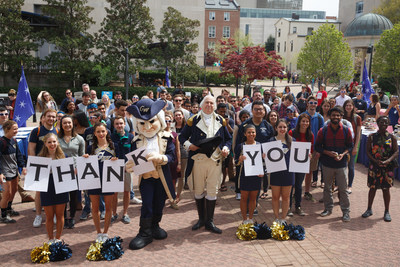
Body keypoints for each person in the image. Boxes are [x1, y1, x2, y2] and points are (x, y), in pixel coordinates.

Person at [126, 99, 176, 250]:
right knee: (147, 204)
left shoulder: (167, 138)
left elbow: (172, 157)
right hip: (146, 178)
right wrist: (130, 166)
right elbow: (133, 160)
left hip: (161, 177)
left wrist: (162, 158)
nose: (147, 127)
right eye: (142, 123)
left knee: (159, 203)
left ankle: (155, 226)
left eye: (151, 121)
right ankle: (145, 232)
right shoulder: (136, 141)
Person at [179, 95, 231, 234]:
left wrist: (226, 148)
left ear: (215, 105)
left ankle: (210, 221)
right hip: (198, 160)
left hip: (215, 161)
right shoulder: (193, 120)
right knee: (199, 190)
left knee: (212, 190)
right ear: (202, 105)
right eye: (207, 103)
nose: (209, 105)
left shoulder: (220, 120)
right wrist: (189, 146)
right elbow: (182, 137)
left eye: (212, 103)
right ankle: (201, 219)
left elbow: (228, 139)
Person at [315, 106, 353, 222]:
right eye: (333, 115)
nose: (335, 117)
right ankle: (328, 208)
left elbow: (350, 146)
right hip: (327, 164)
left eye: (338, 115)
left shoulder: (346, 130)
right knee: (327, 188)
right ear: (330, 117)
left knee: (343, 189)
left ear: (341, 117)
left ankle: (346, 211)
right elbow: (317, 147)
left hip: (341, 164)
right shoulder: (323, 130)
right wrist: (327, 153)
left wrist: (343, 154)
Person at [236, 101, 275, 212]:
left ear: (264, 111)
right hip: (247, 160)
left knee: (258, 183)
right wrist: (238, 157)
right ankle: (246, 205)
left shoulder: (267, 126)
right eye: (256, 109)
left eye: (261, 109)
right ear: (252, 111)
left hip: (262, 160)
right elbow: (238, 143)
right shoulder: (244, 125)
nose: (258, 111)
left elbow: (271, 142)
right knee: (247, 184)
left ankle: (254, 204)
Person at [83, 123, 118, 242]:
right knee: (95, 208)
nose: (101, 134)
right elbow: (86, 163)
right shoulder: (90, 148)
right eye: (98, 131)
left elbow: (120, 163)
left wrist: (116, 160)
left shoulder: (114, 147)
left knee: (108, 208)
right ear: (94, 133)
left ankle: (106, 232)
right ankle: (98, 232)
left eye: (103, 131)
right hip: (94, 180)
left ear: (107, 132)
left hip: (109, 180)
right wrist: (85, 158)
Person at [363, 116, 398, 222]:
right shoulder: (372, 137)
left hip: (387, 167)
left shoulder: (392, 137)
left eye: (386, 122)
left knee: (386, 189)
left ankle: (387, 211)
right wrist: (375, 160)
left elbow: (396, 152)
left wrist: (388, 161)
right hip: (375, 165)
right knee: (372, 187)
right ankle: (369, 209)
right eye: (381, 122)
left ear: (388, 124)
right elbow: (368, 151)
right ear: (377, 123)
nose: (383, 124)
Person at [28, 109, 58, 228]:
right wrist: (33, 164)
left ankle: (54, 213)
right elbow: (31, 149)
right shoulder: (37, 131)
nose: (51, 119)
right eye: (49, 116)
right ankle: (39, 215)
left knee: (55, 190)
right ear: (43, 117)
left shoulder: (57, 130)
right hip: (40, 163)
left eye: (53, 117)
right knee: (39, 191)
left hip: (54, 164)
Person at [38, 133, 69, 243]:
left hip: (61, 186)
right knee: (49, 216)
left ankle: (58, 238)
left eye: (54, 142)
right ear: (45, 143)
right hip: (47, 187)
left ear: (57, 143)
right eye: (49, 142)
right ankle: (50, 239)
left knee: (60, 215)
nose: (52, 144)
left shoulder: (64, 156)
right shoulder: (40, 158)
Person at [57, 115, 85, 229]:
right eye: (65, 123)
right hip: (61, 170)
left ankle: (71, 217)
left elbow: (82, 155)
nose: (67, 125)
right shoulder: (57, 139)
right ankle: (63, 217)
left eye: (69, 123)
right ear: (61, 125)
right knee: (63, 196)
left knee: (73, 196)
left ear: (73, 124)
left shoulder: (79, 139)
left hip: (75, 171)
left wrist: (79, 168)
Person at [235, 124, 264, 224]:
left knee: (253, 197)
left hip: (256, 175)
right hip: (244, 175)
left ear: (256, 133)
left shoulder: (260, 145)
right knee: (244, 197)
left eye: (253, 132)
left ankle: (250, 218)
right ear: (245, 134)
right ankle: (244, 219)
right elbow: (235, 162)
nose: (251, 134)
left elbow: (263, 162)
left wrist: (263, 166)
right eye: (249, 132)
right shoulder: (241, 146)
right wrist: (239, 159)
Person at [0, 120, 27, 223]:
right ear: (7, 130)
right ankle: (3, 215)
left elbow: (19, 155)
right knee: (7, 193)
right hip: (5, 172)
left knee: (14, 190)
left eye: (17, 128)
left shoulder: (14, 141)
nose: (17, 130)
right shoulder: (1, 142)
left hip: (14, 170)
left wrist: (23, 166)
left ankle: (9, 209)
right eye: (14, 129)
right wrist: (0, 173)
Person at [110, 116, 135, 223]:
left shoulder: (130, 136)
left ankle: (125, 213)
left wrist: (130, 165)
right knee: (114, 193)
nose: (119, 126)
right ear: (114, 125)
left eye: (121, 123)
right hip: (114, 168)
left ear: (125, 124)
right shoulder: (110, 137)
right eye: (117, 124)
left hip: (127, 168)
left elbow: (134, 153)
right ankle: (114, 213)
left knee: (127, 191)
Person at [288, 114, 313, 216]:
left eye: (307, 121)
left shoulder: (310, 135)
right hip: (291, 162)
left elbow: (311, 149)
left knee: (298, 185)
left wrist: (310, 155)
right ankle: (288, 207)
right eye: (303, 121)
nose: (305, 123)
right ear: (299, 122)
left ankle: (298, 206)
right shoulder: (292, 132)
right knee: (290, 185)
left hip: (302, 163)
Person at [270, 119, 294, 222]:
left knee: (286, 197)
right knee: (275, 197)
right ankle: (276, 218)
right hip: (275, 172)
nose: (282, 129)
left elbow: (299, 156)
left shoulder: (293, 141)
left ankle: (283, 218)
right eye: (280, 127)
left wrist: (306, 156)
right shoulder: (271, 141)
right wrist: (264, 156)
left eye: (284, 127)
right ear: (276, 128)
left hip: (288, 173)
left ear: (287, 128)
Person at [302, 96, 324, 199]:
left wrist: (319, 150)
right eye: (311, 102)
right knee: (298, 171)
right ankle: (296, 191)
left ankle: (307, 191)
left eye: (315, 103)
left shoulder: (320, 118)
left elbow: (322, 135)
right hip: (301, 148)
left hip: (314, 149)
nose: (313, 105)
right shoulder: (301, 116)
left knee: (309, 171)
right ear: (307, 103)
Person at [343, 100, 362, 194]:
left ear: (353, 107)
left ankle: (349, 185)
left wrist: (356, 147)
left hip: (352, 145)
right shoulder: (341, 116)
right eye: (347, 105)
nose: (348, 107)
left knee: (351, 167)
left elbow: (358, 133)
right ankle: (341, 185)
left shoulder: (357, 118)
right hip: (342, 146)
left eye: (350, 105)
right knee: (342, 167)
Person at [232, 109, 251, 200]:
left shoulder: (251, 127)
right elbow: (236, 141)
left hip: (251, 152)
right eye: (243, 117)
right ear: (240, 119)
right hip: (241, 152)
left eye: (247, 117)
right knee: (239, 172)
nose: (245, 119)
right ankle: (238, 191)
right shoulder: (239, 127)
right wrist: (236, 154)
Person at [164, 111, 180, 209]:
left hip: (173, 162)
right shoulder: (159, 134)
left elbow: (178, 150)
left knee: (173, 181)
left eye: (169, 121)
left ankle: (172, 201)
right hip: (163, 161)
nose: (168, 123)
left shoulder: (174, 134)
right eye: (165, 121)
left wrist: (179, 163)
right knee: (162, 182)